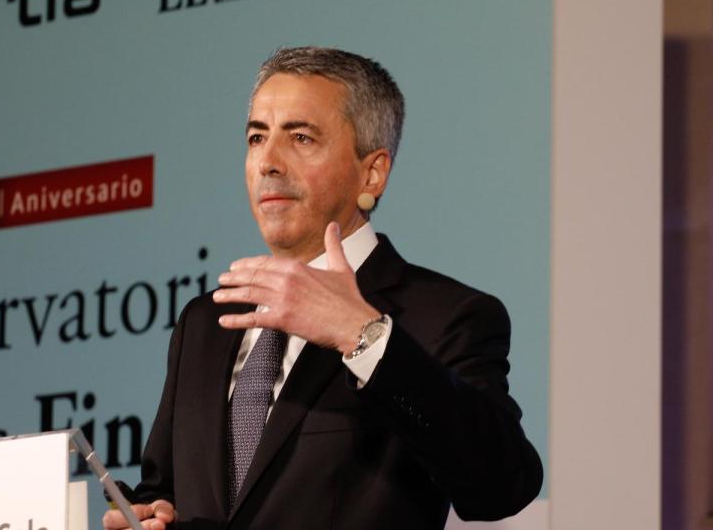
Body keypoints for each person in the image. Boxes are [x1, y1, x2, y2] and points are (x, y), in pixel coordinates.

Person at [103, 47, 543, 530]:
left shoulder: (444, 316)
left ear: (372, 171)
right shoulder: (205, 322)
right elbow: (164, 489)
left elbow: (502, 485)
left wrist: (364, 336)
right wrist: (153, 513)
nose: (268, 162)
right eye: (256, 138)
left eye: (301, 137)